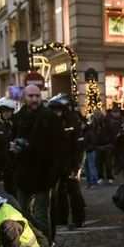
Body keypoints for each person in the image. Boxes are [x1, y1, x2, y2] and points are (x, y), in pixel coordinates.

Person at [12, 84, 65, 245]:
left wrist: (55, 173)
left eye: (37, 96)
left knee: (41, 212)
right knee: (22, 210)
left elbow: (58, 146)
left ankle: (45, 245)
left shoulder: (49, 117)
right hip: (23, 171)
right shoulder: (18, 117)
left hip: (43, 172)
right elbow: (12, 139)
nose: (34, 99)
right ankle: (33, 241)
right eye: (31, 96)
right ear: (24, 97)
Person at [48, 94, 86, 230]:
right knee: (59, 193)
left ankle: (78, 219)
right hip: (57, 163)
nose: (56, 112)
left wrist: (76, 166)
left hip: (70, 163)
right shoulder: (52, 122)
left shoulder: (73, 121)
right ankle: (61, 219)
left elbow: (79, 146)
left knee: (74, 191)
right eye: (54, 110)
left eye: (58, 110)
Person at [0, 97, 18, 196]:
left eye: (8, 111)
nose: (6, 114)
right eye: (4, 111)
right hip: (5, 165)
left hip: (17, 165)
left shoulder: (17, 125)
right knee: (8, 191)